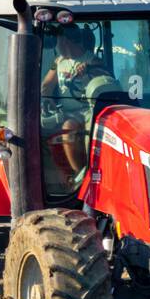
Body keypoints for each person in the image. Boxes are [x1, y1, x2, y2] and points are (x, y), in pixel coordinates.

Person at [41, 25, 116, 185]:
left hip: (88, 110)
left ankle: (81, 177)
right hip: (65, 112)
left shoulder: (92, 61)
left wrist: (89, 70)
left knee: (70, 128)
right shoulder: (58, 62)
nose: (57, 44)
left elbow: (107, 80)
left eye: (58, 40)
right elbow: (46, 85)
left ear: (65, 40)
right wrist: (47, 100)